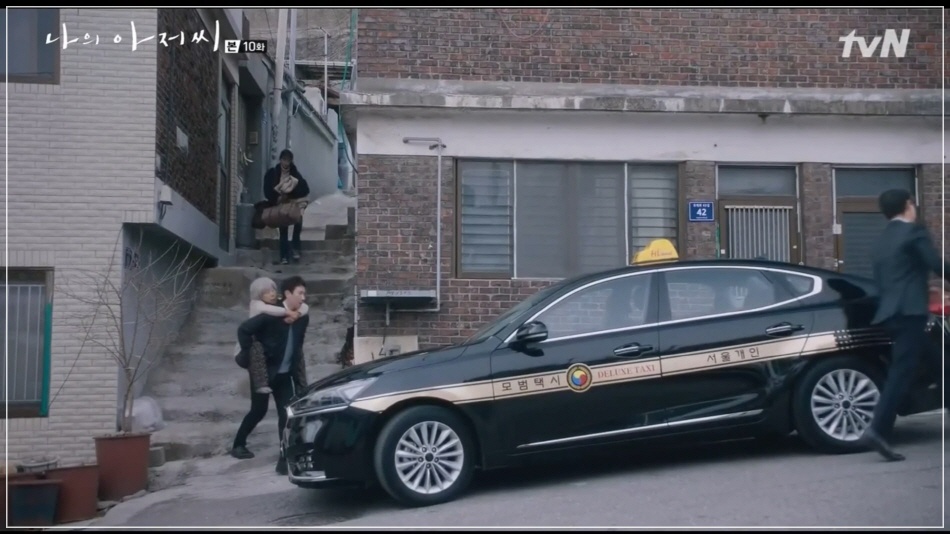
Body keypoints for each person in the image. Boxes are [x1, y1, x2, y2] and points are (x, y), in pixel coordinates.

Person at [860, 189, 949, 462]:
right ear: (908, 205)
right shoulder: (914, 232)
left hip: (891, 314)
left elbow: (895, 277)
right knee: (901, 372)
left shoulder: (881, 241)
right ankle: (877, 429)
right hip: (910, 313)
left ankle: (878, 430)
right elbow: (936, 265)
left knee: (941, 365)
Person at [231, 276, 310, 474]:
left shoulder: (302, 316)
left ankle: (284, 459)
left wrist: (299, 375)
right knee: (258, 410)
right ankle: (238, 444)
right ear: (288, 294)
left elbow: (298, 345)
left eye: (304, 293)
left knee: (286, 415)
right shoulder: (270, 314)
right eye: (300, 293)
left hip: (285, 374)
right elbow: (244, 330)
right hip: (264, 374)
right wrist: (251, 353)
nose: (303, 297)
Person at [234, 277, 309, 395]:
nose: (272, 294)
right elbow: (244, 330)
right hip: (247, 352)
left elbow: (305, 307)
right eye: (266, 292)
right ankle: (261, 384)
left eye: (273, 290)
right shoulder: (258, 305)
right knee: (256, 346)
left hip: (280, 369)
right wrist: (288, 313)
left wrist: (297, 314)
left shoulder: (277, 304)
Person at [263, 149, 310, 265]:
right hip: (280, 204)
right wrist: (277, 198)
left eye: (288, 160)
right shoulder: (274, 172)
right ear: (280, 160)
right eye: (284, 160)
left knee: (298, 223)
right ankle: (284, 256)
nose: (286, 163)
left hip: (292, 204)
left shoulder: (295, 173)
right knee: (283, 229)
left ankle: (295, 248)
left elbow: (304, 189)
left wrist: (291, 193)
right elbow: (268, 190)